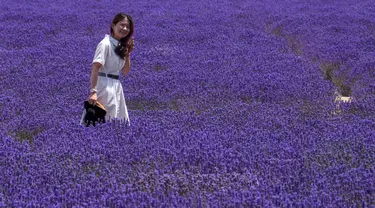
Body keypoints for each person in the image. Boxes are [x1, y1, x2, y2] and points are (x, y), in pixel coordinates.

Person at [80, 12, 134, 126]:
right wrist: (93, 92)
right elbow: (95, 67)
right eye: (122, 25)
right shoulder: (105, 44)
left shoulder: (120, 46)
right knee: (102, 120)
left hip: (116, 87)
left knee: (117, 122)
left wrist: (128, 53)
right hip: (104, 86)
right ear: (113, 25)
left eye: (128, 27)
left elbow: (125, 72)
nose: (125, 28)